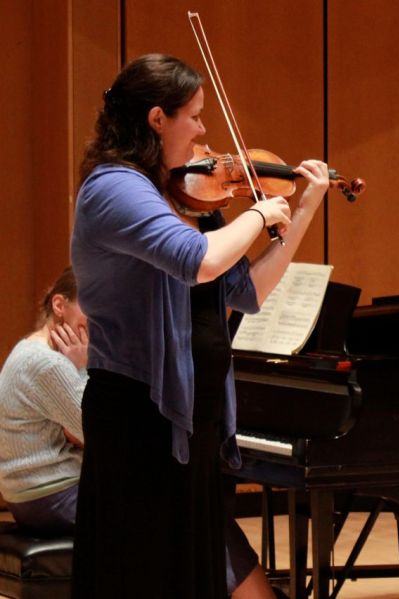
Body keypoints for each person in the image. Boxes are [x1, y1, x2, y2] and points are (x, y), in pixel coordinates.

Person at [70, 54, 329, 598]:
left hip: (195, 418)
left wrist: (304, 210)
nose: (204, 131)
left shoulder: (181, 194)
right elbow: (199, 261)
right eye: (193, 116)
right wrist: (258, 215)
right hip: (139, 416)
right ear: (157, 119)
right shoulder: (113, 187)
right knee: (143, 578)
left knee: (194, 578)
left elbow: (247, 292)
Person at [0, 267, 87, 535]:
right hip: (53, 497)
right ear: (59, 305)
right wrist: (83, 367)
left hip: (31, 496)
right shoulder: (49, 363)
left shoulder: (29, 347)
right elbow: (102, 434)